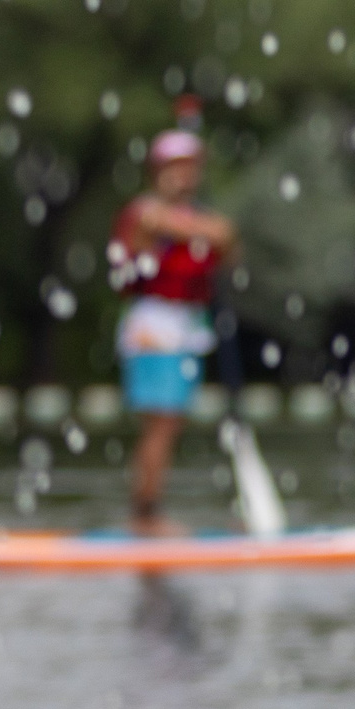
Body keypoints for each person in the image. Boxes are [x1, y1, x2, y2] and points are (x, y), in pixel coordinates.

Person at [108, 112, 237, 534]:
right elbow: (159, 225)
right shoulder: (145, 211)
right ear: (159, 172)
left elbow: (225, 239)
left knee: (170, 422)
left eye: (190, 167)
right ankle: (146, 518)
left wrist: (197, 223)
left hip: (185, 324)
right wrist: (190, 221)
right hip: (154, 323)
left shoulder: (196, 215)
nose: (185, 175)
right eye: (176, 168)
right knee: (160, 424)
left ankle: (148, 512)